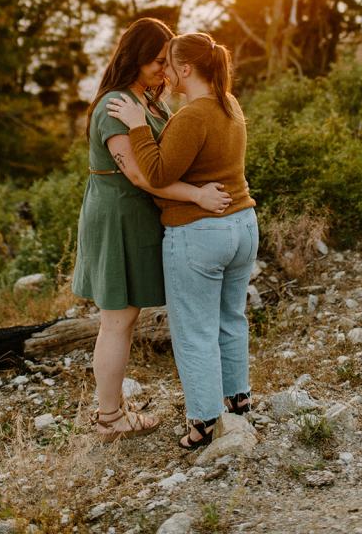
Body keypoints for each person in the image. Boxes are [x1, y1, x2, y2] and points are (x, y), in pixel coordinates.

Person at [71, 18, 232, 443]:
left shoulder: (148, 99)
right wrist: (197, 196)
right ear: (135, 58)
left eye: (168, 61)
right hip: (119, 218)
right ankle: (109, 418)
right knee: (118, 319)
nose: (165, 69)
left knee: (127, 317)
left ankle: (115, 411)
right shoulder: (115, 105)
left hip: (142, 216)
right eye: (158, 61)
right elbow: (142, 176)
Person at [107, 32, 258, 450]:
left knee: (194, 330)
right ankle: (238, 399)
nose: (165, 73)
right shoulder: (230, 105)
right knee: (231, 318)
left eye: (170, 65)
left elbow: (156, 173)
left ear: (186, 69)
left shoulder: (193, 116)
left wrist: (138, 125)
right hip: (243, 224)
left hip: (200, 233)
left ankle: (204, 421)